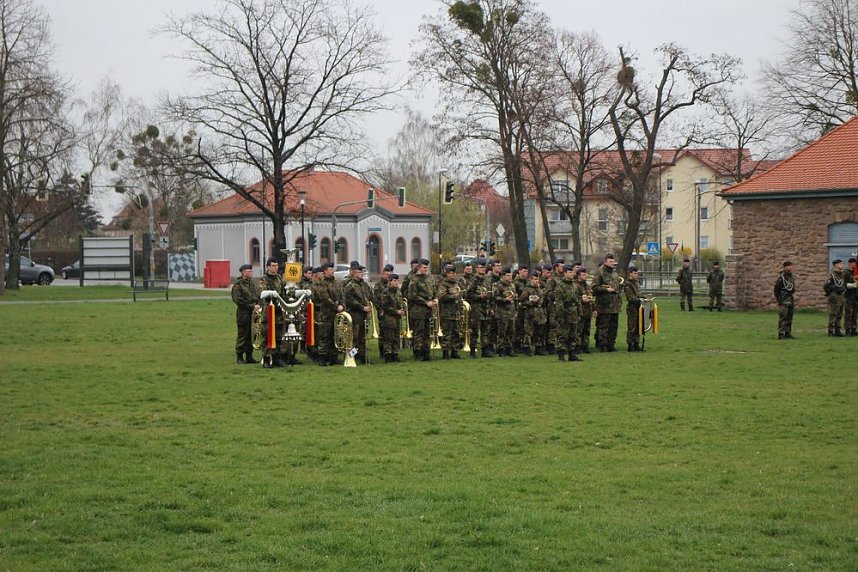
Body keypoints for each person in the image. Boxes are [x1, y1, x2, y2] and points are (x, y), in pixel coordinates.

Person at [258, 257, 286, 368]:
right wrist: (271, 293)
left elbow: (284, 293)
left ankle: (276, 358)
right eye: (273, 266)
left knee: (279, 337)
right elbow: (262, 292)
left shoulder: (279, 278)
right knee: (267, 336)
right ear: (268, 267)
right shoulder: (264, 279)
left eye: (276, 265)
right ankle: (266, 359)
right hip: (268, 313)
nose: (275, 268)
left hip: (279, 312)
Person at [406, 258, 437, 361]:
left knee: (427, 333)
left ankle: (426, 352)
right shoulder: (414, 280)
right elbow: (412, 296)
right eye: (424, 267)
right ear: (419, 268)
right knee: (419, 332)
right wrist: (425, 302)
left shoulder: (429, 279)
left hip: (428, 311)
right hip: (418, 311)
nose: (426, 269)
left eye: (427, 267)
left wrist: (435, 299)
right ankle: (418, 353)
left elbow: (434, 290)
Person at [343, 261, 374, 363]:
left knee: (362, 338)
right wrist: (362, 307)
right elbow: (349, 300)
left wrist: (370, 304)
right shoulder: (350, 285)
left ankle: (363, 357)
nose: (361, 274)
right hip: (355, 315)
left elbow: (370, 295)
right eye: (359, 272)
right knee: (354, 339)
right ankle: (352, 357)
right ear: (354, 273)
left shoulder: (364, 285)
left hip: (364, 316)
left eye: (362, 272)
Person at [231, 263, 261, 364]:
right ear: (243, 273)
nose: (251, 273)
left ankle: (249, 356)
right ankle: (239, 356)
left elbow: (258, 296)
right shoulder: (238, 285)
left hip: (254, 313)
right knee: (243, 334)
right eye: (249, 271)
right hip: (243, 313)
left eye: (251, 271)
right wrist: (251, 306)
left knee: (251, 334)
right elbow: (237, 299)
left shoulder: (253, 284)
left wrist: (258, 305)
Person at [591, 254, 622, 351]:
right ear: (605, 262)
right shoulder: (600, 272)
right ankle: (602, 345)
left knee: (613, 326)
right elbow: (594, 287)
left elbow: (617, 284)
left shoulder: (614, 273)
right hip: (604, 304)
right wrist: (605, 290)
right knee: (604, 326)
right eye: (610, 262)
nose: (612, 263)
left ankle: (611, 344)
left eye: (613, 262)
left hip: (615, 305)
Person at [316, 262, 344, 365]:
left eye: (333, 269)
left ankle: (334, 357)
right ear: (325, 271)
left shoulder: (337, 283)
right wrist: (336, 307)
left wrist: (342, 305)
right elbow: (325, 298)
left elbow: (342, 295)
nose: (332, 270)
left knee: (335, 336)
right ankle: (322, 357)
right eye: (330, 269)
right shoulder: (322, 283)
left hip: (336, 315)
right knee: (324, 337)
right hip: (326, 315)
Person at [553, 264, 582, 362]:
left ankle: (572, 354)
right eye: (569, 272)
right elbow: (559, 302)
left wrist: (579, 312)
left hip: (574, 312)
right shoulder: (560, 285)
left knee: (573, 335)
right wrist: (561, 315)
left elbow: (578, 300)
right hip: (565, 312)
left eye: (572, 272)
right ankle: (561, 355)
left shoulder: (574, 285)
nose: (571, 274)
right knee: (563, 334)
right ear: (565, 273)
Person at [466, 259, 494, 358]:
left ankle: (485, 349)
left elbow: (490, 295)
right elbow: (468, 294)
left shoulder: (487, 279)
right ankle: (472, 350)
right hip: (476, 309)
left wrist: (491, 307)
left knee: (486, 330)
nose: (483, 269)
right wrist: (479, 297)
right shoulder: (473, 280)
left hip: (485, 308)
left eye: (484, 267)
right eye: (481, 267)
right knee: (474, 330)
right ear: (477, 268)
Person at [437, 264, 463, 359]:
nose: (452, 275)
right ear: (447, 274)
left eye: (454, 273)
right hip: (447, 313)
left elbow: (460, 298)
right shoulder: (443, 284)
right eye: (450, 273)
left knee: (456, 333)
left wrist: (460, 310)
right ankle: (445, 352)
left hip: (456, 312)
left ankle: (454, 351)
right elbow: (441, 297)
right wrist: (452, 297)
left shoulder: (456, 284)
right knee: (447, 333)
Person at [519, 270, 547, 355]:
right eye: (534, 279)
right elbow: (522, 302)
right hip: (530, 312)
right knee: (528, 331)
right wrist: (530, 303)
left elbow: (543, 301)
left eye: (537, 279)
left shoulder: (540, 290)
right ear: (530, 279)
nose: (536, 281)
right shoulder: (526, 290)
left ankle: (538, 347)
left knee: (539, 331)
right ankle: (526, 347)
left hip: (540, 312)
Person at [492, 267, 517, 356]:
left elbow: (515, 297)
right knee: (502, 332)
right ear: (503, 276)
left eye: (510, 275)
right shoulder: (498, 285)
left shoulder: (512, 285)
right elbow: (495, 297)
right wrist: (504, 299)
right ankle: (500, 349)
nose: (510, 277)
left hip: (511, 312)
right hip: (502, 312)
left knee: (511, 331)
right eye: (507, 276)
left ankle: (509, 348)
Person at [623, 265, 644, 351]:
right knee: (632, 326)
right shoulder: (628, 284)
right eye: (635, 273)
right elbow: (630, 298)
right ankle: (630, 344)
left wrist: (645, 298)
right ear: (630, 274)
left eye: (637, 273)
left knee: (639, 326)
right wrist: (640, 300)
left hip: (639, 307)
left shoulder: (636, 282)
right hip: (632, 308)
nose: (636, 275)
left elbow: (639, 294)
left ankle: (636, 343)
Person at [774, 261, 796, 339]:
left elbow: (792, 287)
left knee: (789, 317)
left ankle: (787, 333)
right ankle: (781, 333)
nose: (790, 267)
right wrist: (779, 299)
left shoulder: (791, 277)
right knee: (783, 317)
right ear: (785, 267)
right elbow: (776, 289)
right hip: (783, 299)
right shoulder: (781, 277)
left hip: (790, 298)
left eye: (791, 266)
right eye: (788, 266)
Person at [824, 258, 847, 336]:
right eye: (840, 264)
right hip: (834, 296)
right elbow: (826, 285)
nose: (842, 265)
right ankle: (830, 330)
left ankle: (838, 330)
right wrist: (832, 290)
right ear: (836, 265)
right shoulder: (832, 274)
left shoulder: (842, 274)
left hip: (841, 296)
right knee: (833, 314)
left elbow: (842, 284)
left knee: (840, 313)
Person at [575, 268, 594, 354]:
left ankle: (585, 346)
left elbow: (591, 296)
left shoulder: (587, 285)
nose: (585, 276)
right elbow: (574, 297)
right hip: (580, 310)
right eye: (583, 274)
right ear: (578, 276)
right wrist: (581, 299)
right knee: (579, 330)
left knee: (587, 330)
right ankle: (577, 347)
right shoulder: (575, 285)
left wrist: (594, 309)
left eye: (585, 274)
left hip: (588, 310)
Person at [845, 258, 858, 336]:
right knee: (848, 313)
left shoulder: (856, 272)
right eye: (854, 263)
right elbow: (843, 283)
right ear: (850, 263)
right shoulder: (846, 272)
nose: (855, 265)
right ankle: (847, 329)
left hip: (856, 295)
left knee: (855, 313)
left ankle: (854, 329)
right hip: (848, 295)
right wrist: (851, 285)